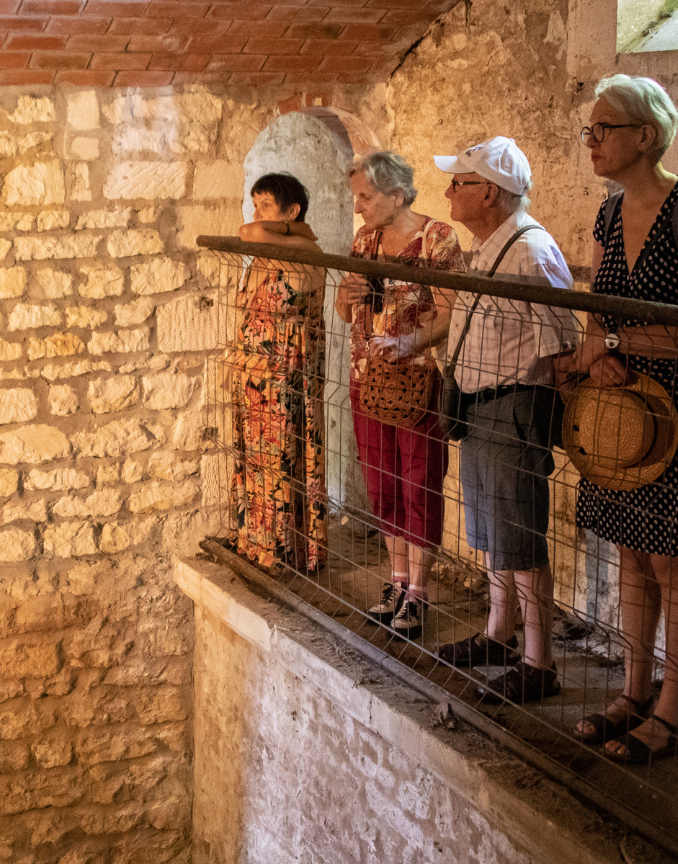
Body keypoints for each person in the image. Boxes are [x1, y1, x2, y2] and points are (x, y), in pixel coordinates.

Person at [555, 75, 678, 763]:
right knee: (631, 552)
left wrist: (618, 344)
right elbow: (600, 305)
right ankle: (632, 689)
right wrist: (600, 349)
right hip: (617, 408)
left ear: (646, 136)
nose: (591, 142)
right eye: (589, 131)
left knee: (672, 559)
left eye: (603, 129)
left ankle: (672, 704)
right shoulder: (607, 215)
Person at [429, 138, 581, 704]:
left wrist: (537, 404)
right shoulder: (491, 246)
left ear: (488, 191)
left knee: (519, 534)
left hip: (515, 405)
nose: (448, 192)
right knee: (494, 532)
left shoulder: (530, 252)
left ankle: (539, 662)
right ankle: (500, 631)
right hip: (483, 404)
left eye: (459, 183)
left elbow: (562, 341)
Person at [333, 152, 463, 637]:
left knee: (419, 482)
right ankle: (397, 579)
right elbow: (348, 313)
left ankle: (420, 591)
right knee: (381, 480)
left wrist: (410, 342)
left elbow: (454, 312)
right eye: (357, 198)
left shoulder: (437, 239)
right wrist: (344, 302)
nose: (359, 207)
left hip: (417, 383)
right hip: (367, 377)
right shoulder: (365, 240)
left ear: (397, 195)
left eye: (366, 197)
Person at [228, 172, 327, 573]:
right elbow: (251, 231)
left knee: (284, 461)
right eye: (255, 203)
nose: (256, 214)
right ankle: (256, 541)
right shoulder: (272, 253)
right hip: (255, 381)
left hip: (287, 383)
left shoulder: (307, 254)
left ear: (292, 211)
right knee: (256, 463)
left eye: (265, 204)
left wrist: (291, 230)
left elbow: (249, 231)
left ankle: (286, 550)